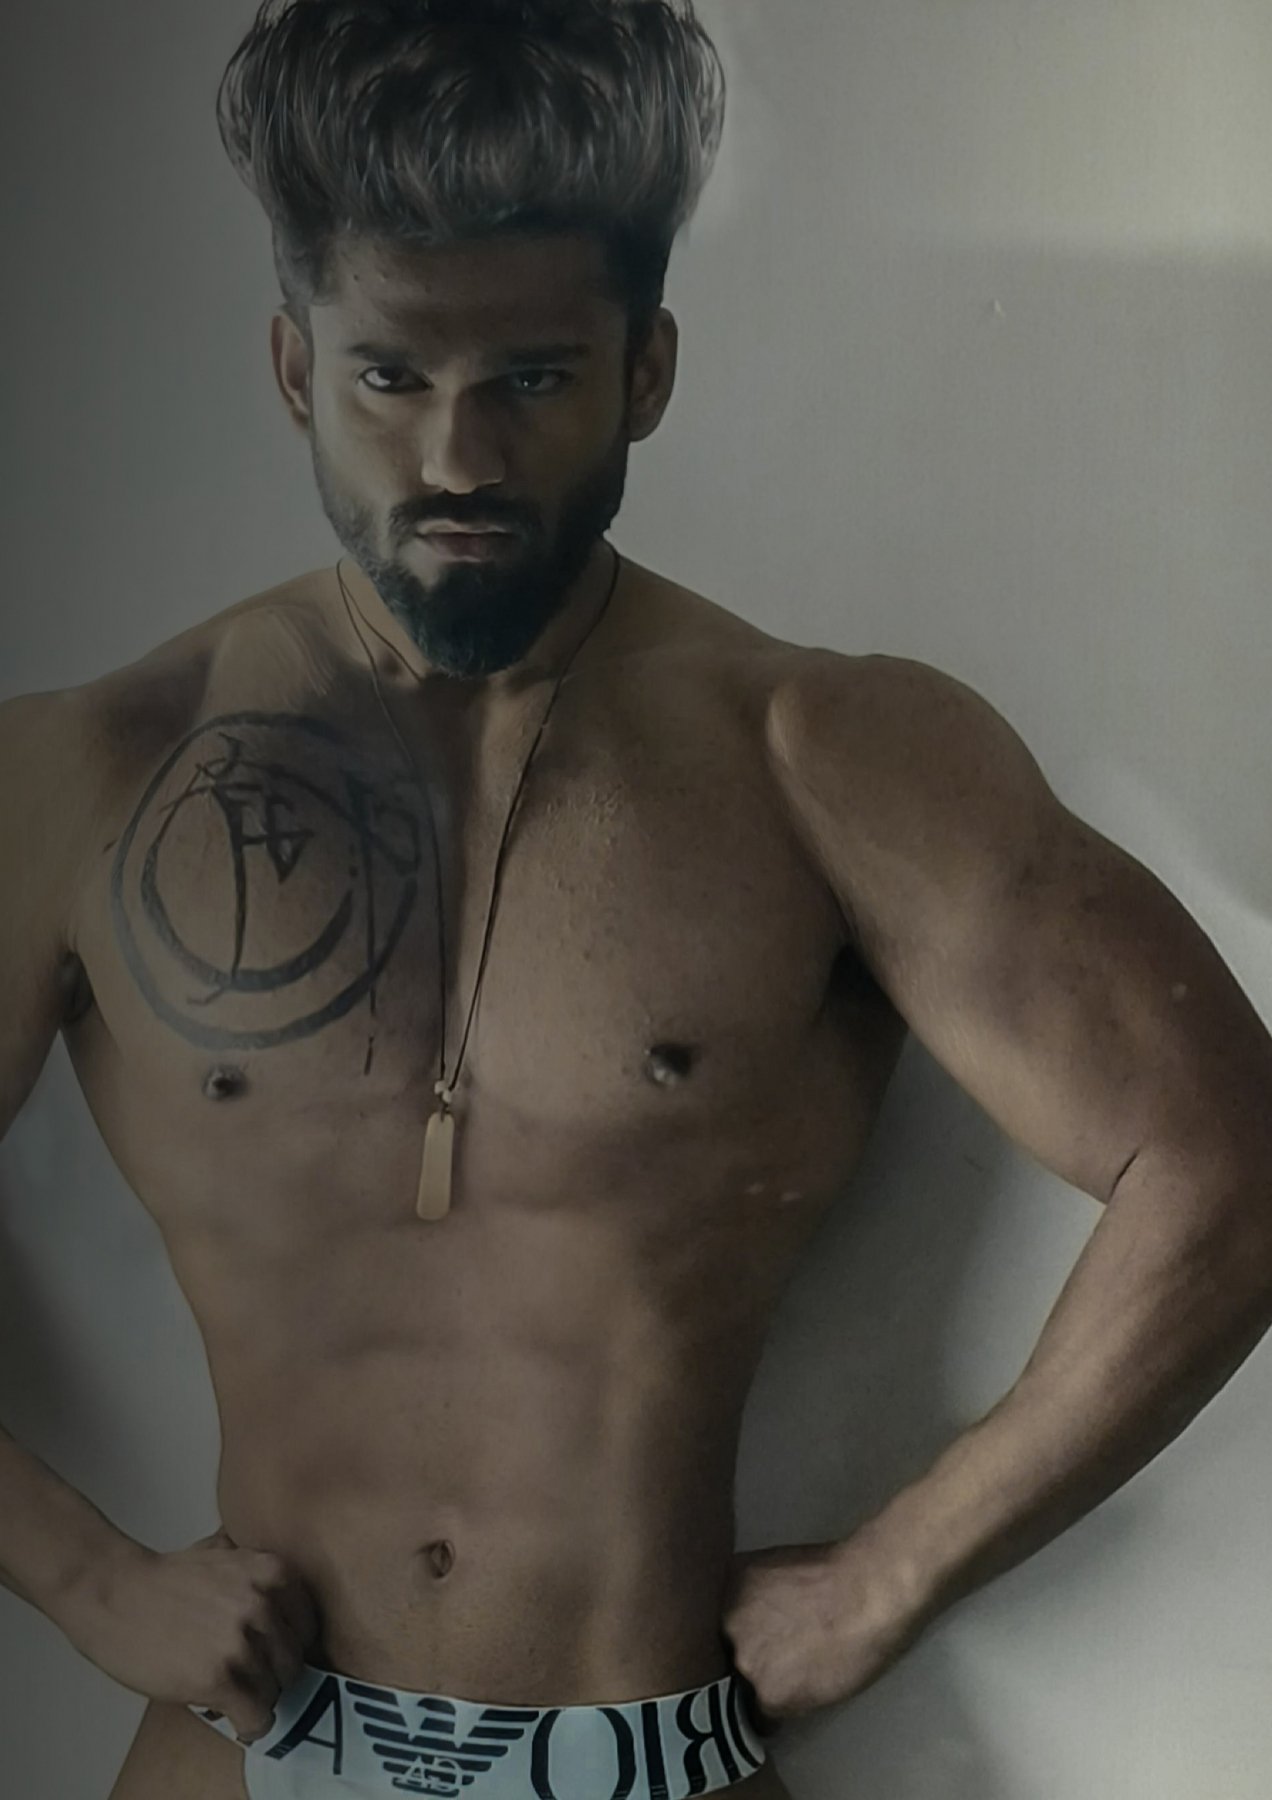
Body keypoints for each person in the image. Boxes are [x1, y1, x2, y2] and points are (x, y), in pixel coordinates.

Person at [3, 2, 1271, 1796]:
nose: (456, 459)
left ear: (645, 371)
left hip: (644, 1753)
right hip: (249, 1752)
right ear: (293, 366)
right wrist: (83, 1580)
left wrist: (898, 1570)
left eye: (531, 380)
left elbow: (1227, 1160)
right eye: (389, 379)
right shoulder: (91, 769)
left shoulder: (826, 754)